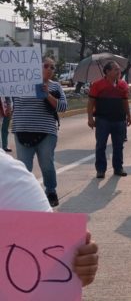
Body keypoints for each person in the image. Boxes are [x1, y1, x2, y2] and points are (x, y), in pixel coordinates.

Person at [0, 149, 99, 287]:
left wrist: (74, 263)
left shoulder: (8, 175)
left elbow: (51, 274)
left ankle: (51, 190)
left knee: (47, 163)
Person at [12, 57, 67, 207]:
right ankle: (25, 195)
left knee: (47, 165)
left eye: (52, 67)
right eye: (46, 66)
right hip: (22, 131)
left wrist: (47, 94)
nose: (49, 69)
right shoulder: (18, 85)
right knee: (24, 168)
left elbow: (62, 107)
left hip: (46, 133)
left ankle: (50, 191)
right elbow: (9, 102)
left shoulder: (55, 87)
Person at [87, 61, 131, 179]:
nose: (119, 71)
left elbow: (125, 101)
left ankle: (118, 168)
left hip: (119, 120)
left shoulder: (123, 85)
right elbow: (91, 102)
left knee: (119, 146)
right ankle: (100, 170)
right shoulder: (97, 85)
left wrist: (129, 115)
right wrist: (90, 118)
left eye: (119, 69)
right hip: (103, 120)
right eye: (116, 69)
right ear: (107, 71)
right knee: (101, 145)